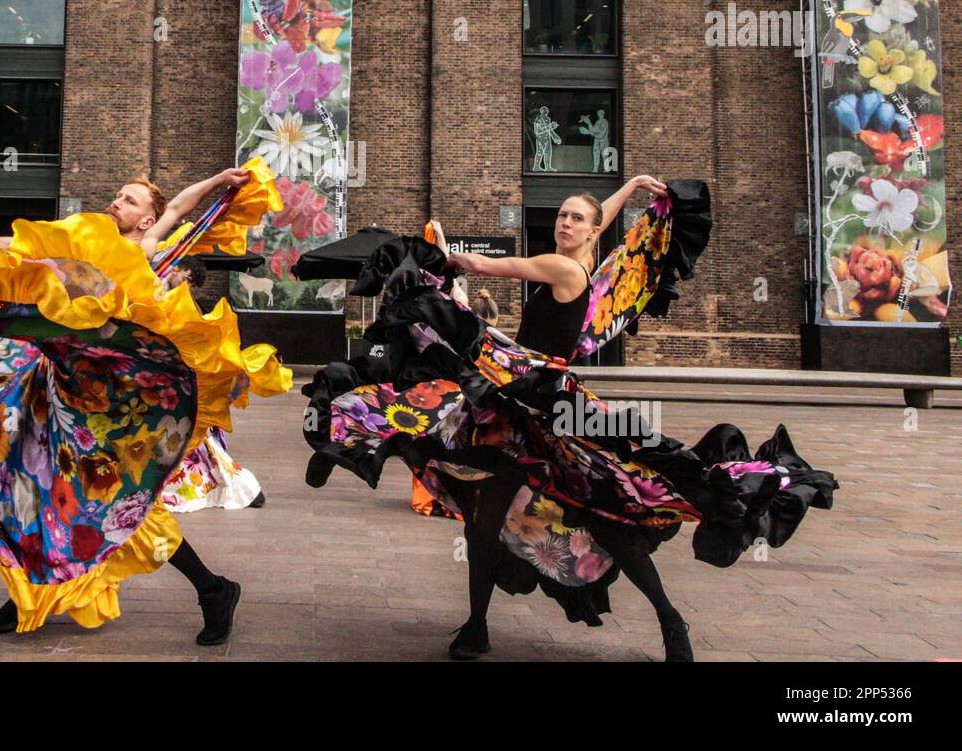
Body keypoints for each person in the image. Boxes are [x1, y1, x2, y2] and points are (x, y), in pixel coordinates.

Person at [302, 175, 837, 662]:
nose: (564, 221)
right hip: (524, 399)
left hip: (549, 405)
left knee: (601, 513)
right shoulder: (591, 268)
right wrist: (627, 189)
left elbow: (489, 266)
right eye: (561, 214)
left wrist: (443, 256)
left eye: (575, 218)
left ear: (591, 232)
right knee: (486, 513)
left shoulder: (562, 268)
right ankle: (477, 625)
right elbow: (600, 218)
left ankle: (670, 621)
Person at [0, 158, 291, 644]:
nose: (117, 202)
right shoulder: (82, 243)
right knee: (24, 483)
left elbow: (183, 205)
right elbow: (25, 252)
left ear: (147, 220)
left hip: (108, 399)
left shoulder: (142, 248)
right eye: (118, 195)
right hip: (53, 381)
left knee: (120, 505)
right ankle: (26, 594)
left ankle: (213, 589)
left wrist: (217, 182)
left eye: (130, 199)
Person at [161, 256, 268, 513]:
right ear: (181, 272)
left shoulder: (178, 300)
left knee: (190, 437)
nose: (187, 286)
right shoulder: (161, 289)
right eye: (187, 280)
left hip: (177, 380)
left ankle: (232, 485)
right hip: (169, 379)